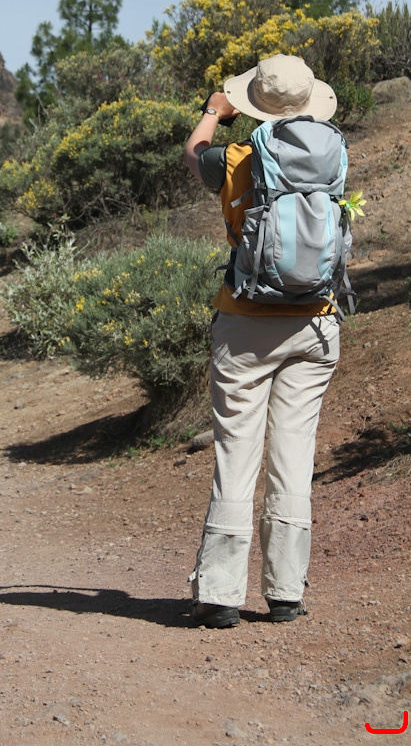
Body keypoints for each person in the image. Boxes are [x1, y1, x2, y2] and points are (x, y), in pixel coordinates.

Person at [184, 54, 343, 629]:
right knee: (293, 457)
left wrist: (214, 111)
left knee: (236, 454)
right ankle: (286, 593)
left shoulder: (236, 158)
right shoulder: (333, 155)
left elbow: (193, 152)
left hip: (245, 323)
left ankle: (220, 595)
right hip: (316, 322)